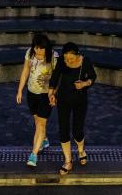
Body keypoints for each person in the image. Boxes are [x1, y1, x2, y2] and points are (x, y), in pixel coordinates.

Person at [48, 42, 97, 175]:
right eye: (66, 58)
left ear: (77, 55)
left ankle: (81, 150)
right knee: (63, 129)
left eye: (71, 58)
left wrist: (84, 84)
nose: (68, 61)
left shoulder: (85, 61)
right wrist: (51, 93)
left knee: (77, 130)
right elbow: (55, 76)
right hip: (63, 99)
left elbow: (93, 76)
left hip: (80, 100)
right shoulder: (62, 62)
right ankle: (68, 161)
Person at [16, 34, 58, 167]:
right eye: (36, 48)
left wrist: (54, 94)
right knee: (37, 121)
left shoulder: (54, 57)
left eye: (41, 49)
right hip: (32, 93)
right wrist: (20, 90)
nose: (38, 51)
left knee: (40, 125)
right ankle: (44, 140)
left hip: (46, 95)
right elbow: (25, 71)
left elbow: (57, 78)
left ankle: (33, 155)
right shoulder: (30, 53)